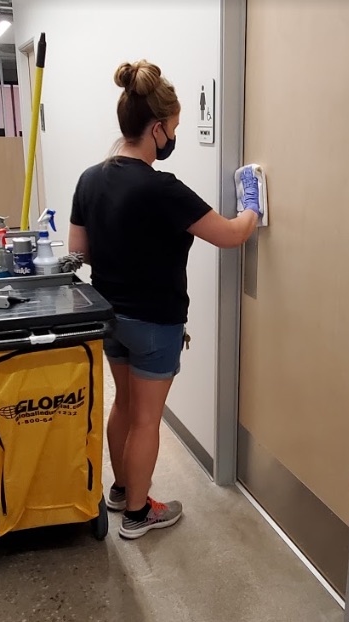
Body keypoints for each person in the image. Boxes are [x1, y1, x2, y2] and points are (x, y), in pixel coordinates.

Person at [69, 60, 262, 540]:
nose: (174, 137)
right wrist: (252, 203)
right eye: (173, 128)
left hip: (108, 317)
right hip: (155, 324)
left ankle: (121, 491)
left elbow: (79, 252)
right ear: (156, 128)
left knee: (124, 407)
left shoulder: (89, 179)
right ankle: (138, 515)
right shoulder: (162, 189)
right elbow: (232, 234)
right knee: (147, 420)